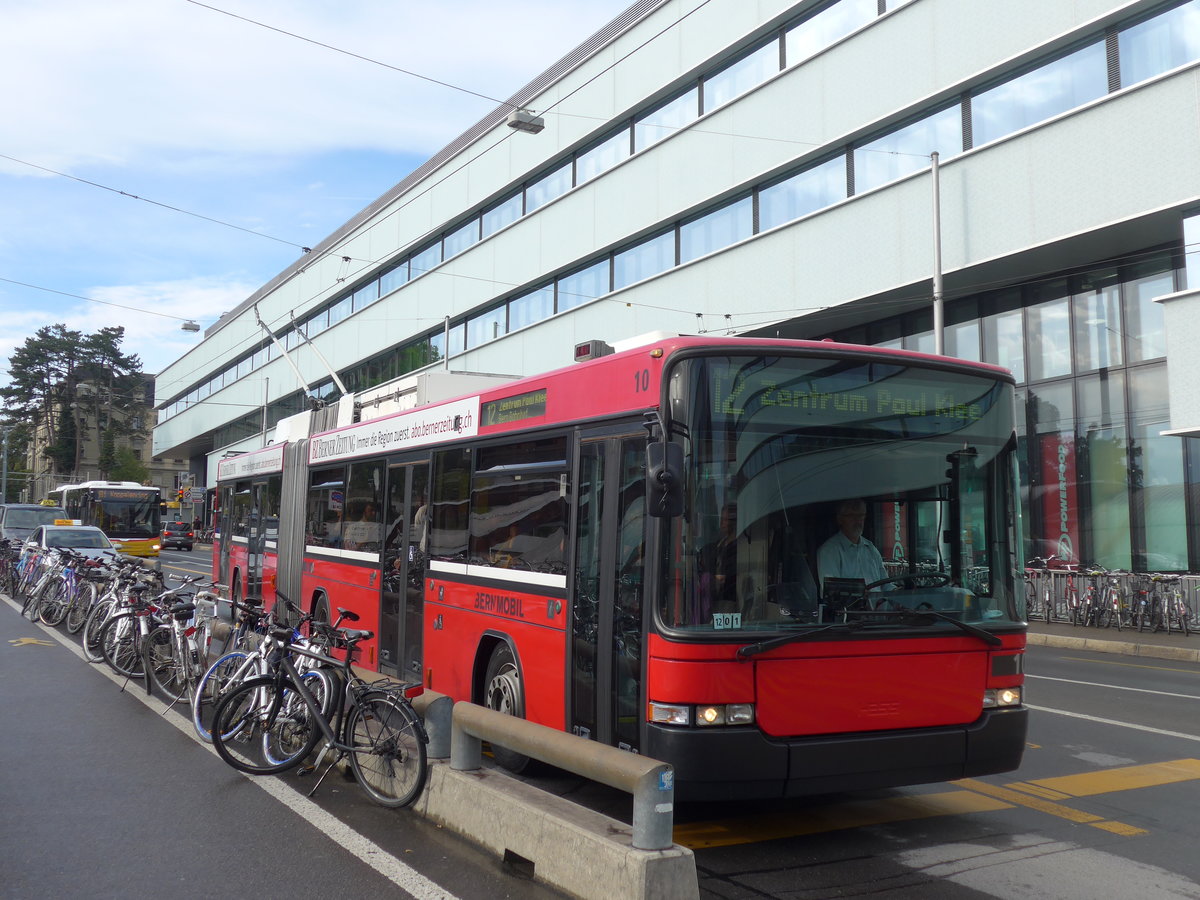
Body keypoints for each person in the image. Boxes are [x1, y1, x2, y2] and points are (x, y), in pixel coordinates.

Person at [816, 499, 889, 593]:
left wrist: (898, 593)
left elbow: (886, 584)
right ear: (840, 519)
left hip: (880, 606)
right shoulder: (829, 551)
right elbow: (832, 592)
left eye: (861, 515)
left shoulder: (870, 548)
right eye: (852, 516)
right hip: (851, 607)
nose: (858, 521)